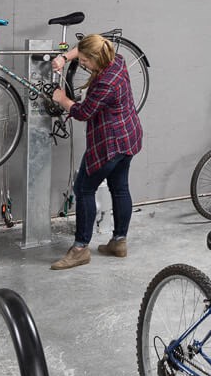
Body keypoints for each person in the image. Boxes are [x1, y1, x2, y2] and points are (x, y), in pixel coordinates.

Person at [48, 34, 143, 270]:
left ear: (95, 59)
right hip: (129, 135)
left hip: (109, 143)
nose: (82, 65)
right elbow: (84, 47)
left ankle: (80, 249)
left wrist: (61, 98)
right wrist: (63, 57)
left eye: (85, 62)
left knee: (84, 188)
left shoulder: (105, 83)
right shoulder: (116, 59)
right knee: (120, 187)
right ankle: (119, 242)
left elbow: (82, 112)